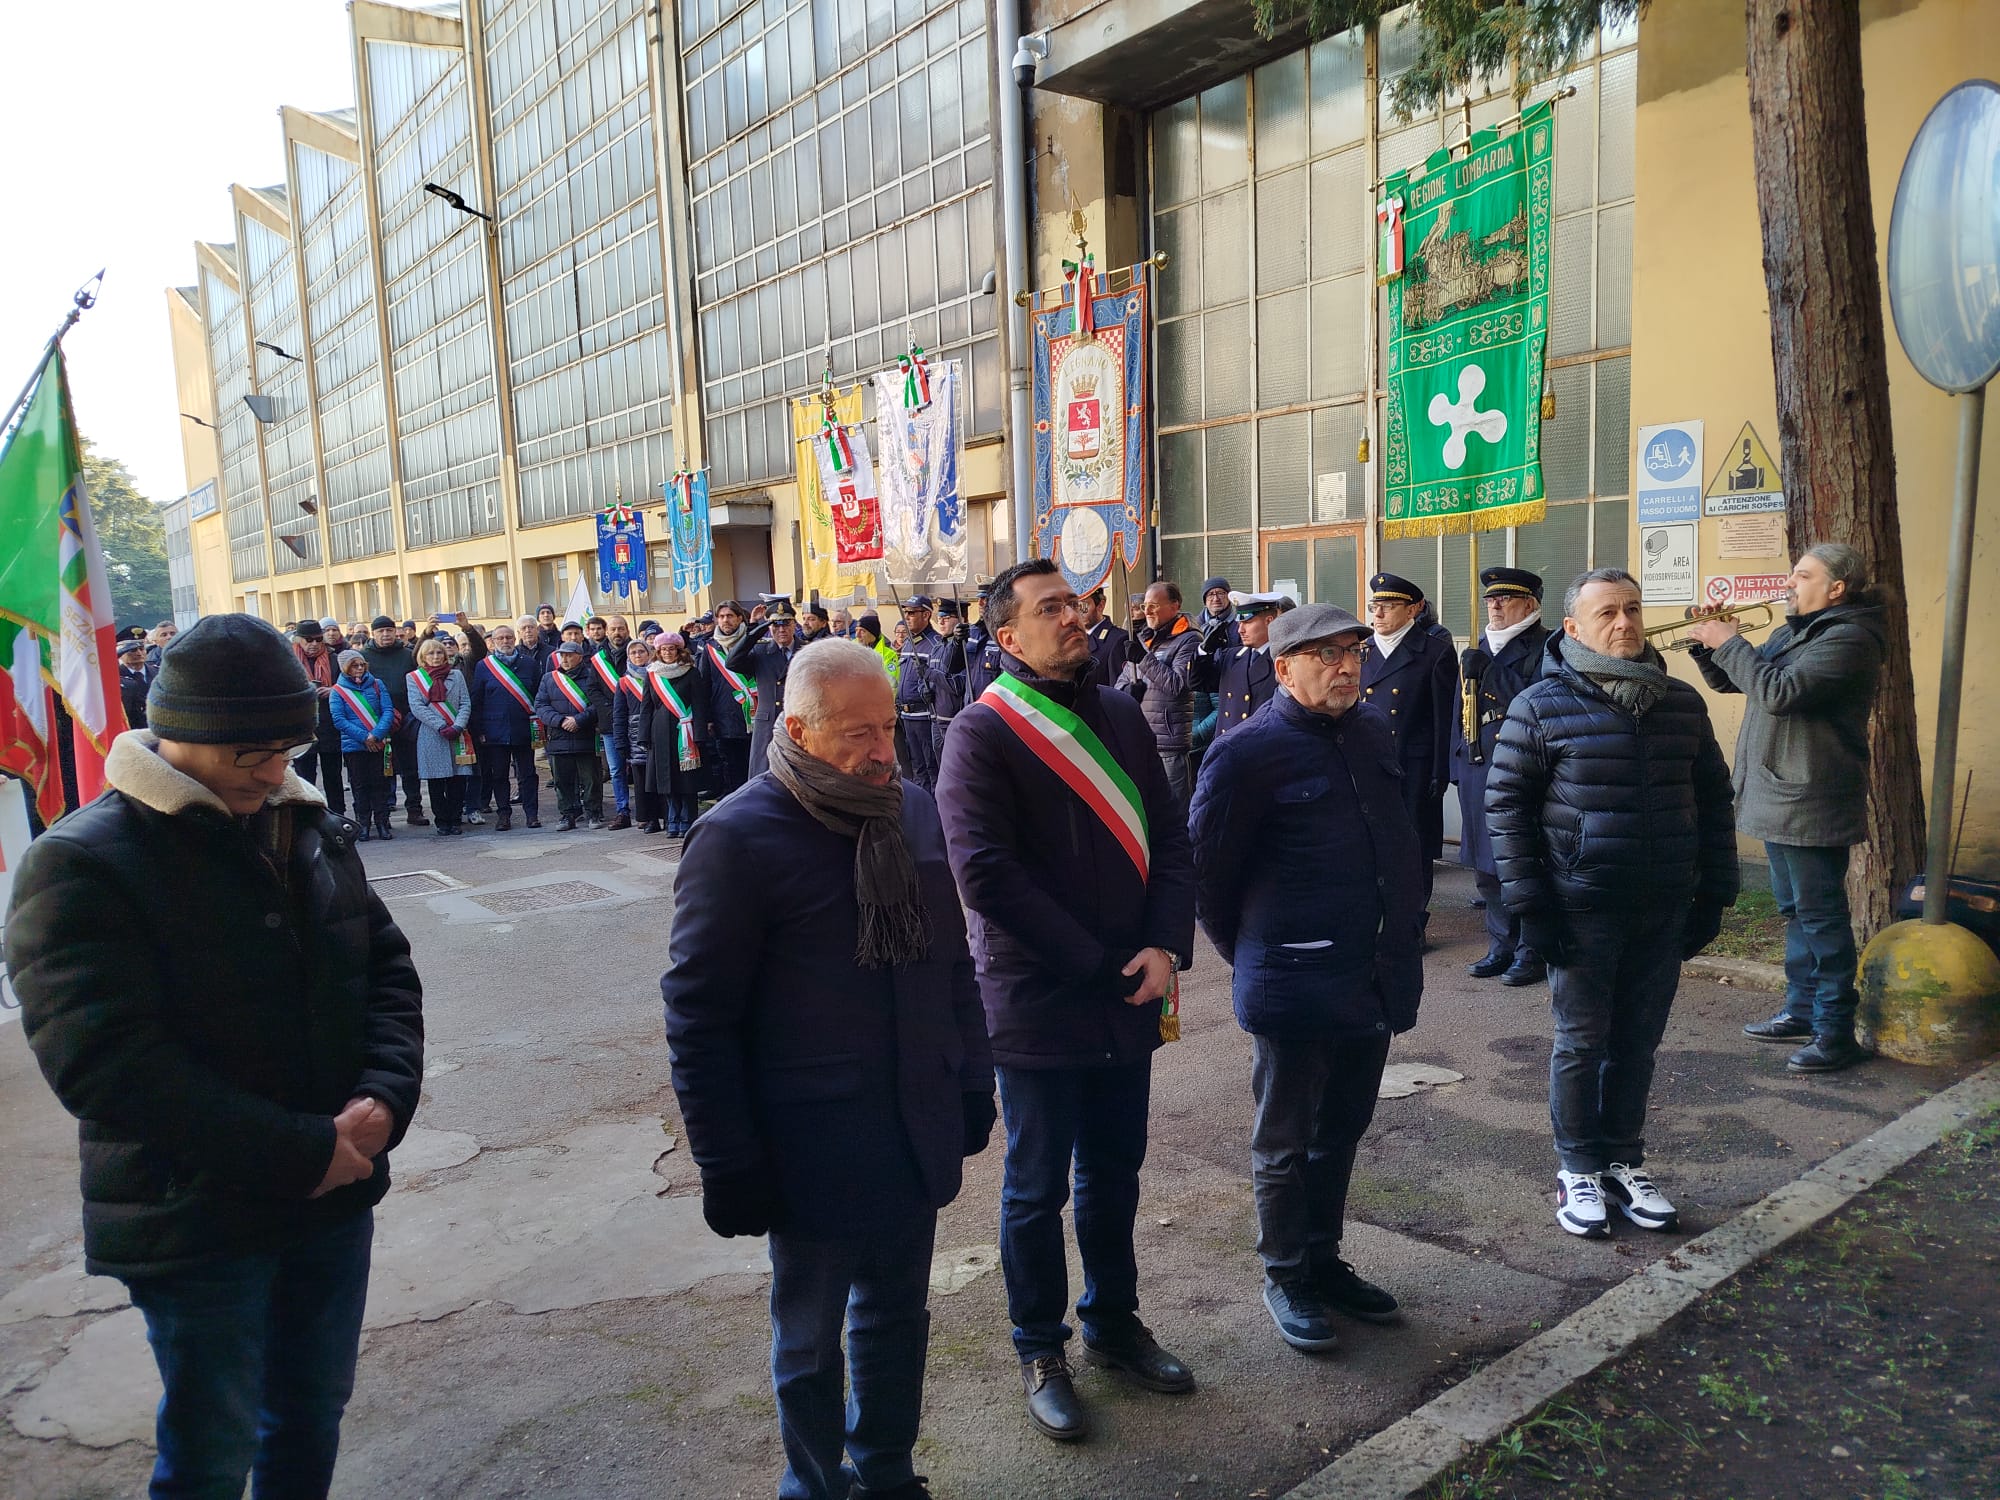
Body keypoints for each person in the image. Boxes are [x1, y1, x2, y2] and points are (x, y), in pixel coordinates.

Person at [7, 614, 424, 1498]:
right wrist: (302, 1149)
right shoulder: (80, 864)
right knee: (210, 1448)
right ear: (182, 737)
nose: (276, 772)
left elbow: (384, 968)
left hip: (334, 1197)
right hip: (196, 1217)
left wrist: (385, 1099)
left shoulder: (305, 824)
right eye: (253, 755)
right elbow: (106, 1064)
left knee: (310, 1418)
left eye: (288, 749)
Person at [664, 639, 994, 1500]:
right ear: (798, 730)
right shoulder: (736, 837)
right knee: (809, 1342)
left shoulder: (911, 811)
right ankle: (813, 1485)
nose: (883, 751)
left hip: (911, 1124)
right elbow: (700, 1019)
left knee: (897, 1323)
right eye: (857, 734)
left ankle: (885, 1472)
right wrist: (727, 1162)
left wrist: (970, 1083)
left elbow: (953, 964)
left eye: (888, 727)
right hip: (806, 1149)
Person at [936, 559, 1197, 1444]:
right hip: (1038, 999)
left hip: (1130, 987)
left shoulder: (1121, 711)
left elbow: (1169, 835)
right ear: (1007, 637)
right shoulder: (981, 733)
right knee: (1034, 1187)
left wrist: (1165, 945)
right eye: (1051, 609)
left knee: (1115, 1175)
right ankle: (1038, 1348)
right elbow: (984, 874)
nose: (1075, 616)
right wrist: (1098, 964)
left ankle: (1114, 1325)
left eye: (1077, 603)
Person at [1190, 603, 1421, 1352]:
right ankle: (1286, 1274)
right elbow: (1209, 880)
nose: (1347, 666)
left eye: (1354, 651)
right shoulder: (1245, 753)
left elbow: (1397, 847)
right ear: (1283, 669)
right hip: (1293, 979)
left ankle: (1324, 1261)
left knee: (1342, 1130)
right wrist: (1261, 955)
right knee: (1285, 1139)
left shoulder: (1371, 734)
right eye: (1325, 655)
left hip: (1370, 974)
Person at [1486, 568, 1737, 1240]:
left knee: (1637, 1043)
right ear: (1573, 628)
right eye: (1606, 613)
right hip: (1581, 909)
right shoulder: (1540, 706)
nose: (1623, 623)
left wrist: (1716, 890)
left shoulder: (1681, 703)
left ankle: (1623, 1159)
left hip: (1662, 907)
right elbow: (1505, 810)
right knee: (1581, 1042)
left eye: (1631, 610)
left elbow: (1714, 800)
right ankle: (1577, 1169)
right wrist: (1530, 907)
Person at [1688, 543, 1887, 1074]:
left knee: (1821, 918)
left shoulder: (1850, 637)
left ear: (1836, 588)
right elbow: (1737, 681)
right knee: (1794, 911)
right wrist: (1708, 647)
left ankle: (1834, 1031)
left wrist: (1730, 640)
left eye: (1802, 575)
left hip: (1810, 799)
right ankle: (1801, 1010)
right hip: (1777, 794)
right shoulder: (1793, 630)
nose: (1790, 583)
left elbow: (1780, 691)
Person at [1455, 569, 1554, 987]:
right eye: (1490, 600)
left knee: (1522, 863)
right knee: (1486, 867)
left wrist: (1489, 673)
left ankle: (1532, 951)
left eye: (1505, 599)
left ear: (1530, 604)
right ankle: (1501, 944)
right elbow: (1457, 709)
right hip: (1478, 766)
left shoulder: (1548, 645)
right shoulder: (1481, 647)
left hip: (1522, 767)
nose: (1494, 606)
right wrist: (1454, 765)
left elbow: (1541, 699)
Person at [1359, 574, 1458, 915]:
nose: (1379, 614)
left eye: (1388, 606)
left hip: (1412, 766)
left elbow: (1443, 718)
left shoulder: (1434, 652)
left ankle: (1414, 920)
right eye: (1375, 606)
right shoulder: (1361, 651)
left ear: (1413, 609)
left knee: (1413, 847)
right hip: (1365, 763)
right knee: (1370, 842)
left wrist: (1440, 772)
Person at [1119, 580, 1201, 810]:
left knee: (1174, 811)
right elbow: (1122, 682)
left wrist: (1143, 659)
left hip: (1168, 742)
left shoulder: (1189, 639)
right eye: (1145, 605)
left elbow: (1177, 685)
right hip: (1140, 738)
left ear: (1174, 606)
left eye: (1154, 605)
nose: (1147, 611)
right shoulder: (1144, 639)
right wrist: (1127, 693)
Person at [468, 622, 542, 831]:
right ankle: (504, 815)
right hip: (494, 732)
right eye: (500, 638)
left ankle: (531, 814)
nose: (505, 641)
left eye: (509, 637)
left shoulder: (529, 664)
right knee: (499, 775)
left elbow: (538, 695)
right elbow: (477, 700)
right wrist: (480, 731)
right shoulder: (484, 666)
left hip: (523, 729)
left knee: (528, 774)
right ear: (493, 642)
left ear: (515, 639)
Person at [1191, 591, 1290, 737]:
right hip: (1228, 748)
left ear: (1269, 621)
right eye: (1239, 623)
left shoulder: (1283, 662)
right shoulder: (1232, 656)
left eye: (1247, 622)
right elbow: (1197, 682)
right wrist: (1204, 651)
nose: (1240, 630)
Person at [640, 632, 711, 837]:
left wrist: (699, 734)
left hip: (685, 731)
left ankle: (688, 819)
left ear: (679, 650)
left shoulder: (691, 673)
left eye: (672, 649)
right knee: (666, 779)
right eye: (664, 649)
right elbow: (646, 707)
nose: (668, 653)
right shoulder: (652, 674)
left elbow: (699, 704)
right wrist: (643, 735)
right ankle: (672, 818)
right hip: (660, 733)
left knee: (687, 780)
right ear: (658, 652)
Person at [360, 615, 427, 826]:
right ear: (373, 633)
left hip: (406, 718)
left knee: (410, 768)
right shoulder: (363, 657)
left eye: (389, 630)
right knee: (380, 771)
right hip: (376, 720)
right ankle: (382, 815)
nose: (386, 634)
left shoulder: (407, 655)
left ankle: (414, 810)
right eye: (381, 631)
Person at [536, 638, 608, 831]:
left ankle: (593, 813)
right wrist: (560, 721)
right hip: (559, 737)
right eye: (562, 655)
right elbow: (541, 706)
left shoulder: (592, 676)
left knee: (591, 778)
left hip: (584, 734)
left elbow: (597, 704)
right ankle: (568, 814)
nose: (565, 659)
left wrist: (579, 720)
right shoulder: (549, 679)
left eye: (569, 655)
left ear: (580, 657)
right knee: (562, 780)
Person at [406, 638, 473, 836]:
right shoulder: (414, 677)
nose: (435, 657)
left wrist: (458, 725)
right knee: (436, 781)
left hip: (457, 733)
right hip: (431, 734)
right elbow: (416, 707)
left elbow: (465, 703)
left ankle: (455, 819)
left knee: (457, 779)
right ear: (422, 657)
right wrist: (440, 725)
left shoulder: (457, 675)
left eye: (439, 653)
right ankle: (441, 820)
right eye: (430, 653)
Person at [729, 596, 801, 777]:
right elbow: (732, 663)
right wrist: (754, 630)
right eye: (776, 625)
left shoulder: (806, 649)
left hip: (798, 719)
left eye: (786, 624)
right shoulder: (761, 651)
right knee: (763, 774)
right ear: (769, 628)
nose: (781, 630)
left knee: (798, 772)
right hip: (768, 721)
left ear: (794, 625)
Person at [330, 649, 397, 841]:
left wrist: (376, 735)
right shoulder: (338, 691)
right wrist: (364, 737)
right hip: (354, 746)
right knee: (360, 786)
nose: (359, 669)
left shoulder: (377, 685)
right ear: (345, 668)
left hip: (378, 742)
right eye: (354, 665)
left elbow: (387, 711)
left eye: (361, 665)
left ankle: (382, 823)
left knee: (380, 784)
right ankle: (363, 824)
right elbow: (339, 719)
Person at [698, 600, 757, 798]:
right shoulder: (710, 648)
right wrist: (707, 718)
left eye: (730, 616)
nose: (725, 620)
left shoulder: (752, 641)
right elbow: (704, 684)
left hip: (753, 714)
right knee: (731, 767)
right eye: (721, 616)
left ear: (740, 618)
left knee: (754, 764)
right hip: (724, 717)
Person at [291, 621, 348, 819]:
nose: (314, 644)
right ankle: (307, 817)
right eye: (309, 640)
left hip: (329, 723)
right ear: (298, 639)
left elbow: (347, 684)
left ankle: (337, 815)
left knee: (333, 775)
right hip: (302, 725)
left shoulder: (334, 658)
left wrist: (334, 690)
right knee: (304, 776)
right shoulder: (289, 661)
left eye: (317, 639)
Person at [894, 596, 949, 791]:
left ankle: (933, 812)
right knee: (916, 768)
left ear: (926, 615)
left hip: (925, 716)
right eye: (905, 613)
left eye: (911, 613)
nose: (906, 617)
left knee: (931, 768)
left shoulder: (934, 643)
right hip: (907, 716)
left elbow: (939, 679)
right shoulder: (910, 642)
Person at [582, 627, 634, 830]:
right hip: (610, 721)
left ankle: (650, 810)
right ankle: (623, 811)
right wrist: (612, 709)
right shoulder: (598, 659)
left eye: (621, 628)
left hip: (637, 719)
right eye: (613, 629)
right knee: (616, 769)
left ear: (627, 630)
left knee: (641, 767)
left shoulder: (636, 651)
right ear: (607, 632)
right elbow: (592, 689)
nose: (617, 632)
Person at [616, 635, 662, 832]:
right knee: (643, 780)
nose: (637, 655)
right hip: (636, 737)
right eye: (633, 652)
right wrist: (620, 742)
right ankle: (649, 818)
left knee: (662, 777)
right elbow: (619, 714)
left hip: (659, 732)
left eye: (641, 651)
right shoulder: (624, 682)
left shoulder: (660, 675)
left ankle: (667, 815)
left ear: (650, 653)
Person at [1079, 587, 1129, 687]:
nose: (1078, 612)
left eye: (1083, 606)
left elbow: (1117, 689)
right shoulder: (1071, 638)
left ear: (1100, 605)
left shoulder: (1118, 639)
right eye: (1073, 606)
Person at [1195, 576, 1239, 649]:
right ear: (1205, 600)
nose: (1216, 599)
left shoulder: (1240, 623)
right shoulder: (1195, 625)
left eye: (1220, 593)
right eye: (1211, 594)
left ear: (1229, 597)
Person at [117, 637, 150, 729]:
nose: (139, 653)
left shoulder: (158, 672)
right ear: (121, 654)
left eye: (141, 649)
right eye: (132, 650)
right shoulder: (117, 678)